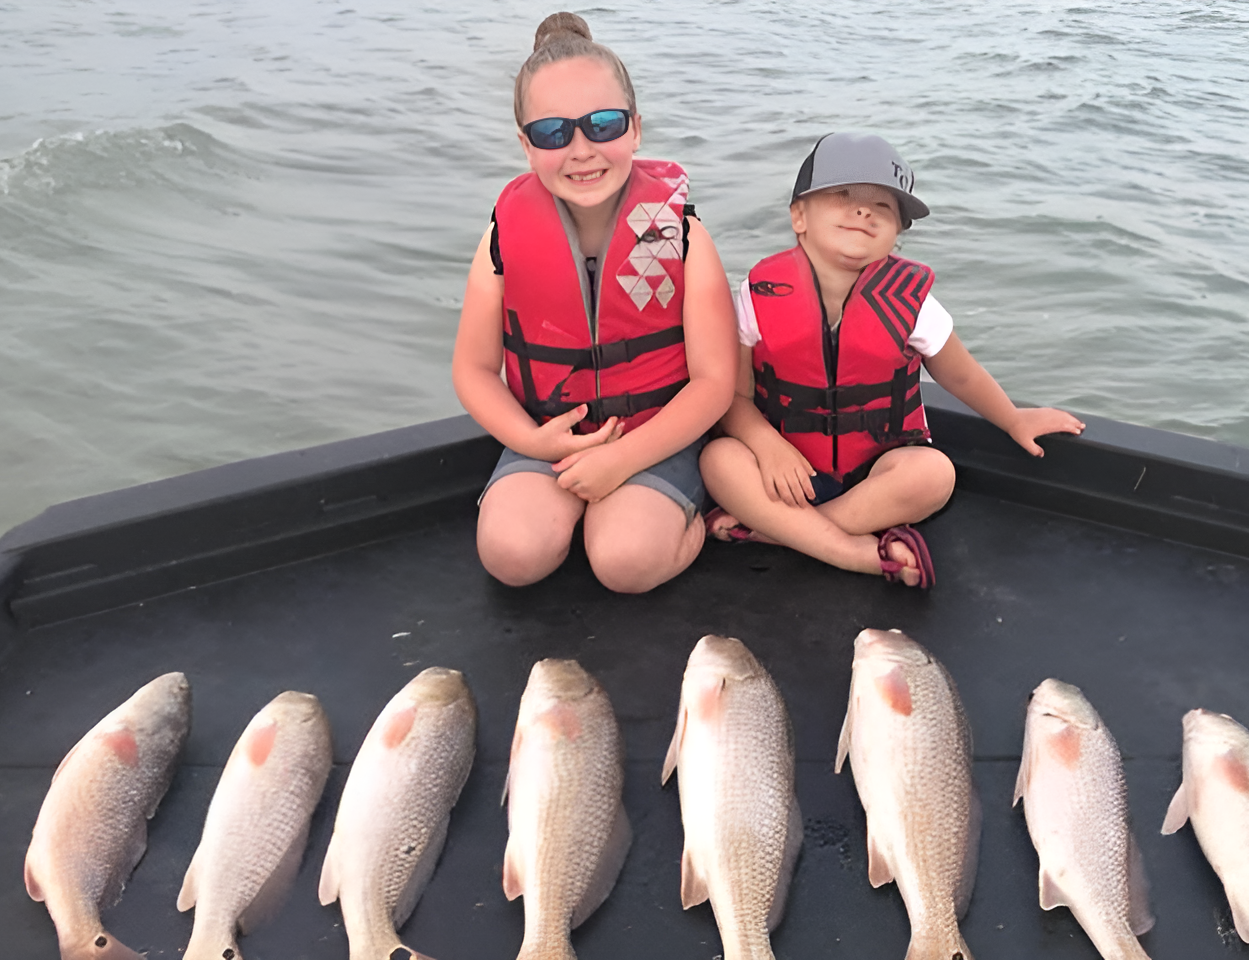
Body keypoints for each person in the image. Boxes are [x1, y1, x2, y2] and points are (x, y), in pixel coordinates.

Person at [700, 132, 1085, 588]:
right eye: (843, 196)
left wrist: (1013, 419)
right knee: (720, 458)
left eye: (882, 207)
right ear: (798, 216)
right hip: (787, 469)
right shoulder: (758, 294)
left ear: (896, 233)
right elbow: (734, 396)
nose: (863, 211)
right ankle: (851, 550)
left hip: (877, 471)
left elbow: (960, 374)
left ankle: (784, 534)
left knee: (934, 474)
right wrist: (766, 447)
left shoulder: (914, 304)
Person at [452, 13, 735, 593]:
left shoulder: (682, 234)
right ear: (527, 146)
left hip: (655, 433)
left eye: (603, 124)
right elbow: (474, 369)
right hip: (549, 433)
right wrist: (532, 442)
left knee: (625, 564)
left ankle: (691, 520)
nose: (582, 150)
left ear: (635, 129)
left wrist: (623, 459)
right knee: (510, 556)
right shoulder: (502, 239)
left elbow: (714, 382)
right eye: (554, 133)